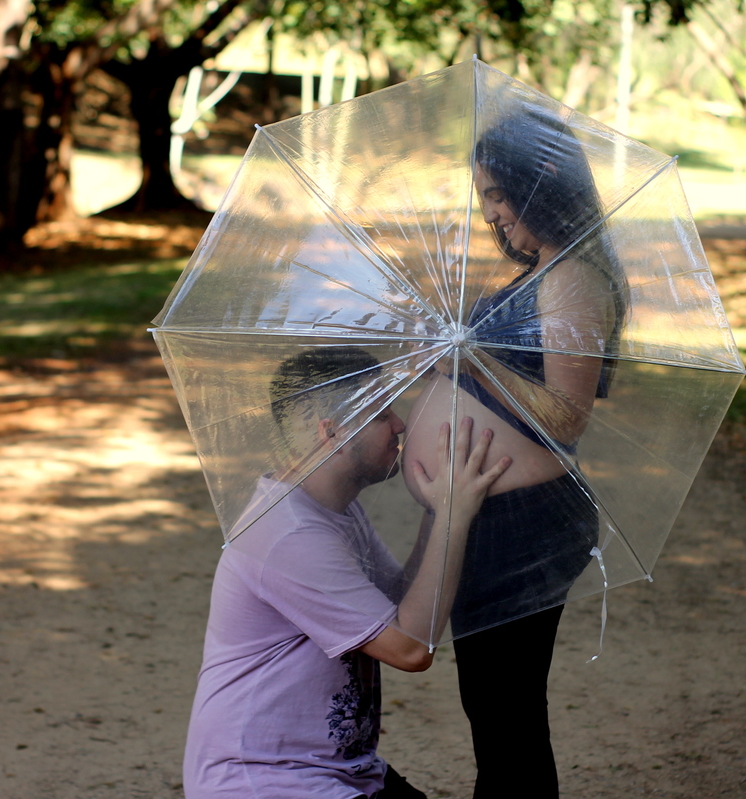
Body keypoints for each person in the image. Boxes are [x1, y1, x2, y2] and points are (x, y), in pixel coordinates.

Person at [402, 109, 629, 798]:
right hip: (493, 517)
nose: (493, 213)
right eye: (486, 197)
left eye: (500, 193)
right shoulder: (545, 272)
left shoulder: (575, 278)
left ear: (544, 182)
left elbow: (566, 415)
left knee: (507, 716)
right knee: (495, 712)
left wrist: (475, 361)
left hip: (526, 524)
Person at [183, 346, 512, 799]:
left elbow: (398, 603)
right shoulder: (287, 532)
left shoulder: (334, 509)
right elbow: (411, 649)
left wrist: (439, 509)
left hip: (343, 772)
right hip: (264, 780)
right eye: (381, 413)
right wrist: (454, 517)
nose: (400, 425)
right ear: (332, 430)